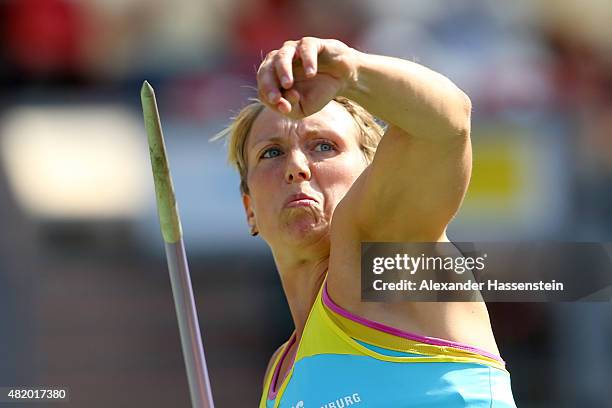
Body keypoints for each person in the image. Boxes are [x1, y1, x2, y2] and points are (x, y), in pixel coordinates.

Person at [215, 36, 516, 407]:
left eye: (323, 146)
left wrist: (351, 71)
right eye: (272, 152)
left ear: (374, 174)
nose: (296, 167)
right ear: (249, 208)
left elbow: (447, 124)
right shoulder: (281, 372)